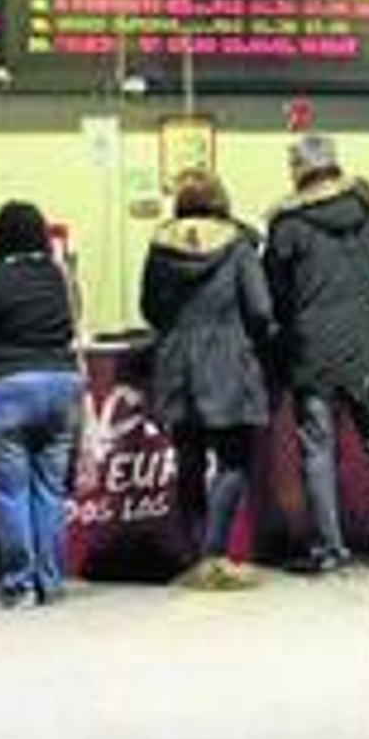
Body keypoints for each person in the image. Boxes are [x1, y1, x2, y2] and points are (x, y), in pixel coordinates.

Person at [265, 134, 369, 574]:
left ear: (298, 172)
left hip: (312, 354)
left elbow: (274, 296)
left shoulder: (288, 226)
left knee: (317, 451)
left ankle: (329, 551)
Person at [142, 170, 275, 590]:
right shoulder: (238, 245)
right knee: (234, 460)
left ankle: (196, 552)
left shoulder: (160, 245)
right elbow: (259, 307)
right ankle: (213, 555)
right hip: (228, 361)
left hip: (176, 361)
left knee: (189, 461)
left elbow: (148, 307)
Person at [0, 202, 84, 608]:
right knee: (50, 489)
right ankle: (51, 581)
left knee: (11, 492)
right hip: (62, 385)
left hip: (7, 388)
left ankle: (18, 586)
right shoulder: (60, 277)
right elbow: (76, 325)